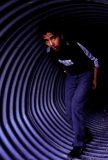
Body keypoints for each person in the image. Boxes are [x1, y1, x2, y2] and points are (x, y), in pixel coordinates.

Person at [38, 21, 100, 158]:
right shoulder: (49, 52)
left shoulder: (75, 45)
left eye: (53, 38)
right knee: (68, 110)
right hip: (71, 77)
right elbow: (60, 65)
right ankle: (85, 134)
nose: (51, 43)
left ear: (61, 36)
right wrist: (67, 73)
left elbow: (95, 60)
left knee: (76, 106)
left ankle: (78, 145)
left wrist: (94, 80)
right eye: (47, 41)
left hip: (85, 74)